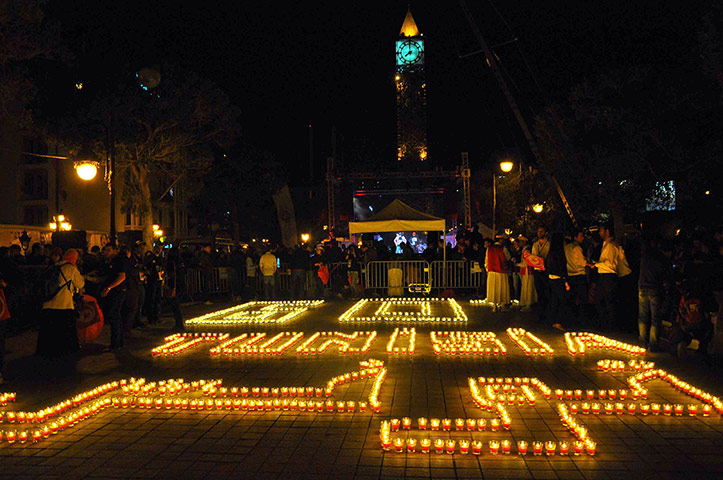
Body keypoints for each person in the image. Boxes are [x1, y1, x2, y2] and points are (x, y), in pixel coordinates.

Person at [36, 249, 85, 357]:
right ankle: (65, 350)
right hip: (64, 304)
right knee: (65, 329)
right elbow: (80, 284)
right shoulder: (71, 268)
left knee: (49, 330)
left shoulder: (54, 266)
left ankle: (47, 351)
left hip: (48, 303)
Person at [637, 240, 670, 352]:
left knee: (643, 316)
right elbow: (664, 275)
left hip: (642, 287)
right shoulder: (660, 258)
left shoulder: (645, 257)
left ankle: (642, 342)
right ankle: (653, 344)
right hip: (654, 288)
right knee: (655, 318)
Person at [100, 244, 129, 350]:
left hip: (118, 291)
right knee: (116, 315)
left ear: (115, 251)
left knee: (114, 315)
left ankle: (116, 343)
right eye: (105, 250)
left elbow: (122, 276)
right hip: (115, 291)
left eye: (108, 250)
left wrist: (109, 288)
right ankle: (119, 341)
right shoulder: (109, 262)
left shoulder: (119, 261)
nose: (106, 253)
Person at [590, 223, 618, 331]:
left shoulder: (610, 245)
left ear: (607, 232)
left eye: (601, 230)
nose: (599, 233)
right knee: (600, 300)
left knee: (608, 301)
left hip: (608, 276)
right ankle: (604, 324)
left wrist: (596, 264)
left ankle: (610, 326)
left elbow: (610, 264)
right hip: (603, 275)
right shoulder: (605, 244)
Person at [565, 230, 589, 328]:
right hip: (579, 275)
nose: (582, 238)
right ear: (575, 237)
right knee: (582, 299)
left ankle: (572, 320)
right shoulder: (577, 248)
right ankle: (582, 321)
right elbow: (582, 262)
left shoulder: (566, 248)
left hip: (570, 275)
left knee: (572, 298)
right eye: (581, 236)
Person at [546, 232, 569, 331]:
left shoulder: (550, 253)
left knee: (555, 300)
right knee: (563, 300)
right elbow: (562, 268)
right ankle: (558, 321)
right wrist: (565, 281)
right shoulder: (559, 254)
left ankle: (552, 320)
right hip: (558, 279)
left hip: (551, 278)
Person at [485, 237, 510, 311]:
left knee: (494, 288)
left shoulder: (489, 249)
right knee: (501, 287)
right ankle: (502, 303)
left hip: (492, 271)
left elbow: (486, 260)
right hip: (501, 270)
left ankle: (495, 305)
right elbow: (508, 258)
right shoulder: (503, 249)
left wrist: (487, 269)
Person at [164, 247, 185, 332]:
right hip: (181, 285)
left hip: (175, 286)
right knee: (176, 305)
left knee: (175, 305)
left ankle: (179, 324)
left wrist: (173, 288)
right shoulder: (180, 262)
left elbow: (173, 276)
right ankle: (179, 324)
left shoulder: (172, 263)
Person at [531, 226, 551, 319]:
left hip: (545, 270)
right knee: (539, 290)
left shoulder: (549, 244)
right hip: (537, 270)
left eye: (541, 231)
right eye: (538, 231)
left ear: (545, 232)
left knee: (546, 291)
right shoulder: (535, 244)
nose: (539, 233)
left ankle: (546, 311)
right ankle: (540, 312)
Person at [144, 245, 164, 325]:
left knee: (157, 299)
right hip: (152, 281)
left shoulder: (161, 258)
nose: (159, 250)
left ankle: (157, 317)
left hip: (159, 280)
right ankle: (151, 318)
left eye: (160, 248)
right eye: (157, 248)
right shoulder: (150, 258)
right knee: (151, 299)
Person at [517, 236, 537, 309]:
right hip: (526, 270)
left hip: (527, 270)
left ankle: (528, 302)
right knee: (526, 286)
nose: (519, 243)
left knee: (528, 286)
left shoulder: (526, 251)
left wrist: (518, 265)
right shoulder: (525, 250)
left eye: (520, 241)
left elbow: (527, 262)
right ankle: (526, 302)